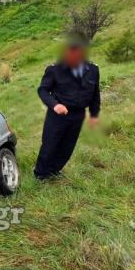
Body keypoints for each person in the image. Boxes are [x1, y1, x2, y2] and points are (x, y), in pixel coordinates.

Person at [34, 37, 101, 180]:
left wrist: (94, 115)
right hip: (58, 115)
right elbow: (43, 90)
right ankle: (40, 174)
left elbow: (95, 94)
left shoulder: (93, 70)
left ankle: (54, 170)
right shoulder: (54, 69)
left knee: (67, 147)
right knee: (50, 144)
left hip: (78, 115)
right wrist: (55, 105)